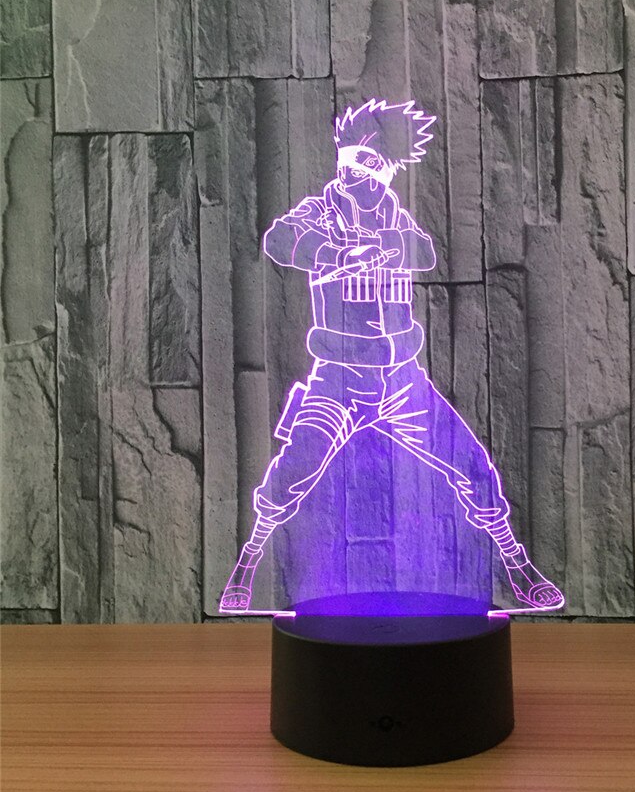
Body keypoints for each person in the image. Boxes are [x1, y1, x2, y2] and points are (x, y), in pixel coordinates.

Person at [220, 99, 564, 613]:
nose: (355, 175)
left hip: (403, 381)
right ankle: (247, 564)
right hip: (338, 380)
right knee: (291, 472)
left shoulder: (394, 215)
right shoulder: (321, 211)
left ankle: (516, 564)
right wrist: (339, 254)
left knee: (472, 466)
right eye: (350, 162)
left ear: (385, 170)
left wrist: (382, 244)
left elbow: (424, 252)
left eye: (369, 165)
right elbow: (280, 239)